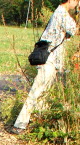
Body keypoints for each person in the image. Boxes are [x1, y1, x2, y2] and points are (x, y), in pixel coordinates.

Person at [10, 0, 78, 134]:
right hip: (49, 61)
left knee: (43, 93)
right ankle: (20, 125)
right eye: (77, 1)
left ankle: (37, 122)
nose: (77, 4)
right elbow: (75, 30)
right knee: (37, 91)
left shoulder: (59, 13)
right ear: (70, 0)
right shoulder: (62, 14)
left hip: (51, 60)